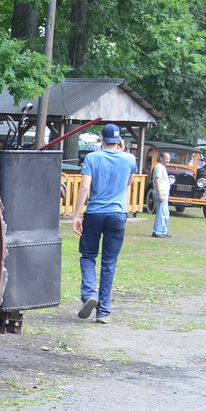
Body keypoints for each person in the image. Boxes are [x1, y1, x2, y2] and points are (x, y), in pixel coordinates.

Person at [70, 123, 136, 324]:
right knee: (109, 262)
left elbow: (84, 188)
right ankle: (103, 312)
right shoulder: (130, 159)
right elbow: (129, 182)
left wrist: (76, 215)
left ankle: (90, 293)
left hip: (95, 213)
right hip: (117, 214)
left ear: (102, 138)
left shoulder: (92, 158)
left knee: (88, 255)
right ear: (119, 140)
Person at [151, 151, 173, 238]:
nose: (167, 160)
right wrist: (160, 194)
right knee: (160, 212)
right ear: (161, 158)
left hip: (165, 193)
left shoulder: (163, 168)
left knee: (165, 213)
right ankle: (157, 231)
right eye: (166, 158)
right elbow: (157, 180)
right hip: (160, 193)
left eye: (168, 158)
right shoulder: (159, 167)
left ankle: (164, 231)